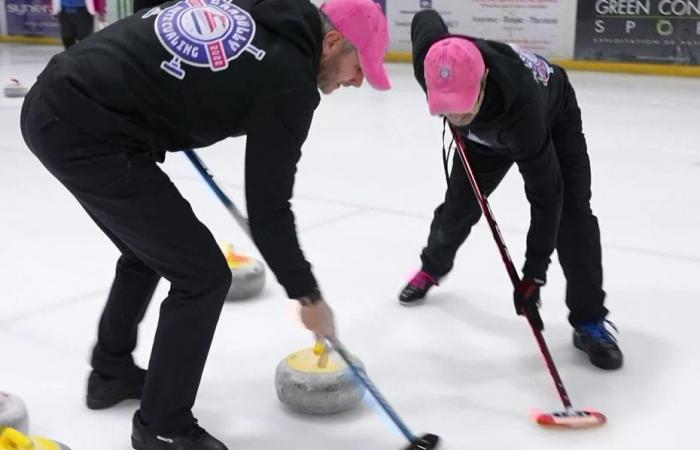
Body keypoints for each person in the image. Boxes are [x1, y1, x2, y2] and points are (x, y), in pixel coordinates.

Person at [20, 0, 390, 448]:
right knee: (203, 275)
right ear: (331, 42)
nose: (357, 80)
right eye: (358, 65)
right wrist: (307, 294)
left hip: (63, 99)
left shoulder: (274, 10)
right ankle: (162, 427)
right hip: (84, 126)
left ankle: (111, 372)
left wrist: (162, 100)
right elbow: (269, 210)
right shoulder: (290, 80)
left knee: (148, 252)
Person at [399, 9, 622, 371]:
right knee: (458, 207)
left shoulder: (522, 111)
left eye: (462, 107)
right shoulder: (433, 63)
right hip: (484, 140)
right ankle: (431, 268)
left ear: (484, 80)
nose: (455, 118)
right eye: (446, 109)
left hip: (554, 118)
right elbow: (424, 18)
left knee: (573, 214)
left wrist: (534, 274)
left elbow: (546, 197)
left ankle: (589, 320)